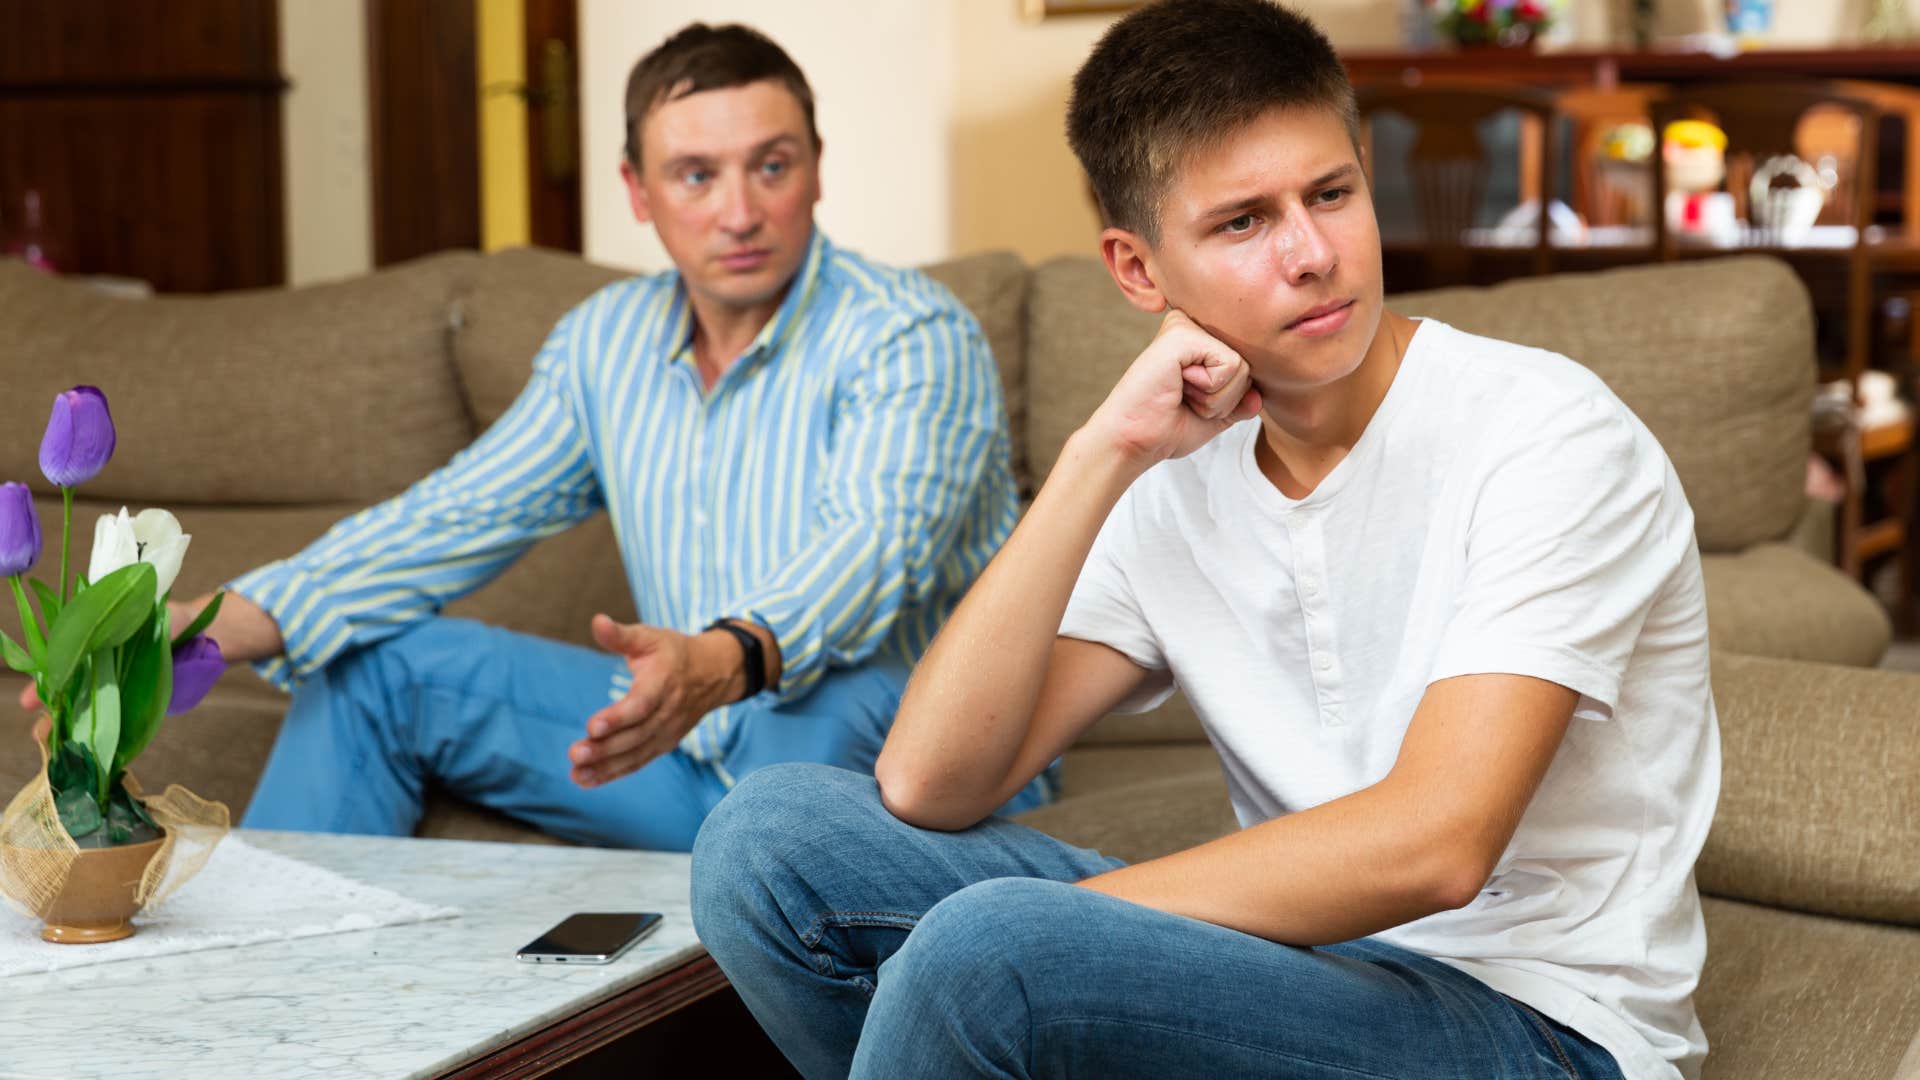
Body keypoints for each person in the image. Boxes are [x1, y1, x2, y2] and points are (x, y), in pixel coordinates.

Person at [688, 2, 1719, 1078]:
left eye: (1332, 194)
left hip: (1545, 1029)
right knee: (767, 841)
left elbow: (1438, 844)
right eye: (1243, 223)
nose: (1313, 254)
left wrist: (1051, 934)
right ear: (1138, 272)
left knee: (990, 957)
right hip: (1297, 973)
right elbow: (928, 783)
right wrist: (1100, 455)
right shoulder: (1171, 474)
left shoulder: (1548, 432)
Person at [25, 23, 1041, 850]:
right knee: (376, 670)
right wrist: (191, 629)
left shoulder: (911, 334)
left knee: (852, 690)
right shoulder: (606, 341)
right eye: (694, 176)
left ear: (816, 171)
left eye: (770, 166)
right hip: (683, 739)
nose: (739, 211)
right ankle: (278, 991)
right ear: (637, 193)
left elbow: (874, 550)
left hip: (880, 748)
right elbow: (457, 515)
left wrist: (723, 659)